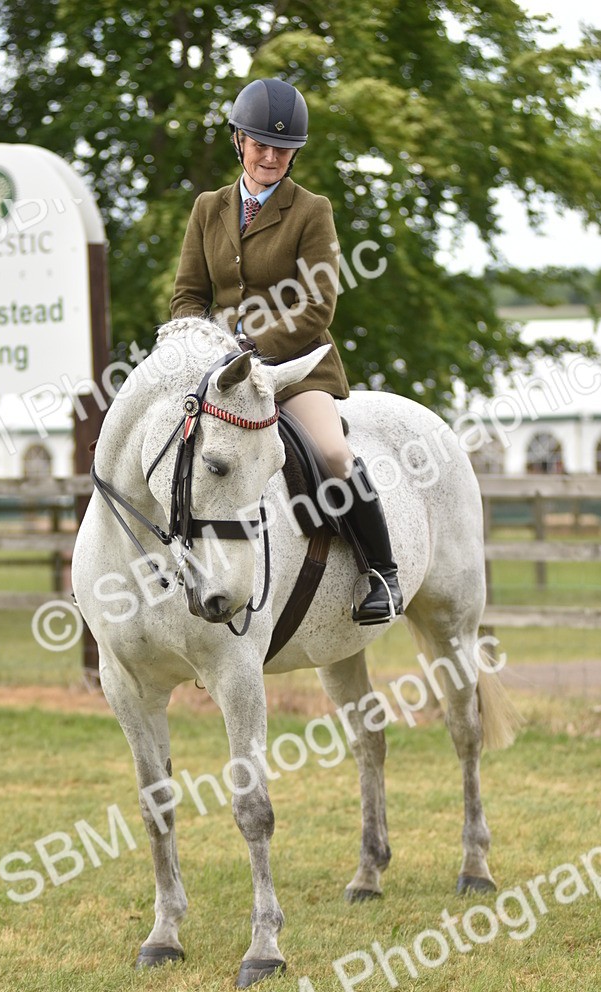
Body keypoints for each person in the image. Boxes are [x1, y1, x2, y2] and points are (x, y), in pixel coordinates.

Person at [169, 77, 403, 624]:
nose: (271, 155)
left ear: (294, 152)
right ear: (238, 142)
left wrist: (250, 346)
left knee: (333, 454)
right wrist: (201, 346)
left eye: (282, 148)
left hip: (296, 368)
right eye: (260, 144)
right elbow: (188, 295)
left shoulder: (311, 210)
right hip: (219, 371)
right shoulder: (208, 208)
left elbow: (317, 306)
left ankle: (382, 573)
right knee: (170, 450)